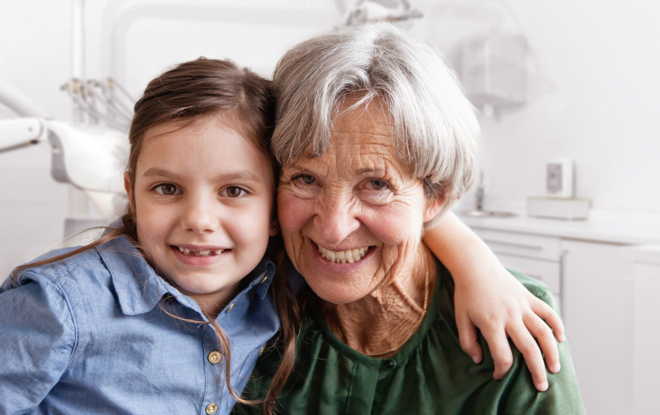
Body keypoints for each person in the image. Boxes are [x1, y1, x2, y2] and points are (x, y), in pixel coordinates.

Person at [0, 57, 563, 415]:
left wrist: (477, 265)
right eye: (167, 189)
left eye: (235, 191)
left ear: (270, 208)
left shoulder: (270, 277)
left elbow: (382, 219)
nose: (199, 219)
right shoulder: (61, 305)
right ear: (131, 191)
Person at [234, 23, 585, 414]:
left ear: (436, 195)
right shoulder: (247, 302)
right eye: (305, 178)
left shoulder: (512, 326)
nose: (334, 228)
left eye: (376, 184)